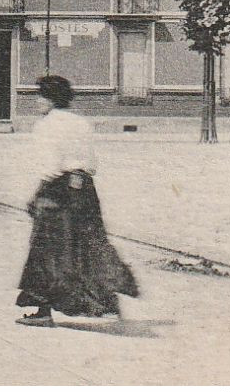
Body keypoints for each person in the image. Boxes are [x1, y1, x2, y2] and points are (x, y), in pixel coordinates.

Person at [16, 74, 139, 327]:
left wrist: (36, 195)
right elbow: (91, 161)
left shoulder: (47, 125)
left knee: (47, 250)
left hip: (57, 190)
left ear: (50, 99)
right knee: (88, 244)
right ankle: (105, 299)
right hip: (84, 190)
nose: (37, 101)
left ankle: (43, 311)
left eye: (41, 96)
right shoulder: (81, 123)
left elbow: (51, 167)